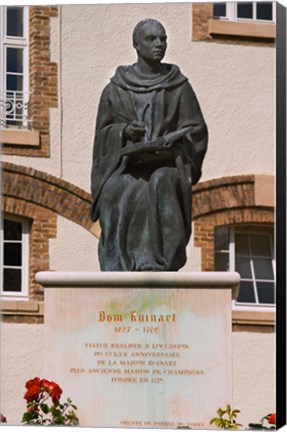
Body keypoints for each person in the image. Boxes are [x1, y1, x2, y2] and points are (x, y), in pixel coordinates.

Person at [91, 19, 208, 271]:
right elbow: (102, 136)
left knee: (162, 182)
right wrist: (123, 132)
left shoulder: (178, 85)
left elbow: (197, 131)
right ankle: (120, 263)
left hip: (168, 164)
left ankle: (160, 262)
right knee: (114, 190)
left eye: (163, 39)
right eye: (151, 39)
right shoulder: (115, 88)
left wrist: (174, 146)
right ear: (136, 45)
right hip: (127, 166)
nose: (159, 44)